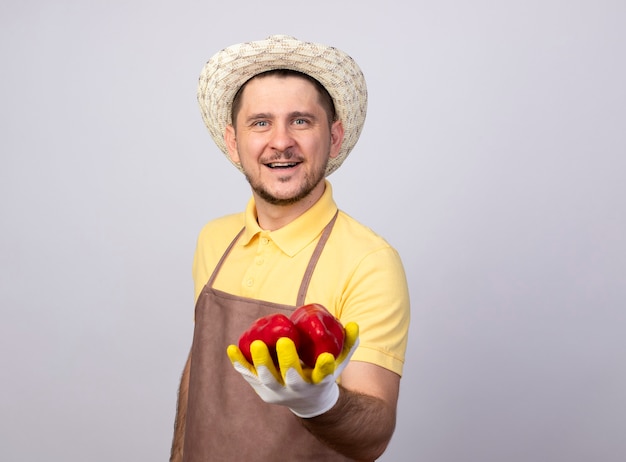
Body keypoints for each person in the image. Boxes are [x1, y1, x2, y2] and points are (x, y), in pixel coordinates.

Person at [170, 35, 410, 462]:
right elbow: (199, 374)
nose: (280, 141)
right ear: (233, 141)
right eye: (260, 122)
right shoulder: (213, 239)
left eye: (301, 121)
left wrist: (320, 403)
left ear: (333, 137)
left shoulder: (369, 261)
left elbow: (373, 435)